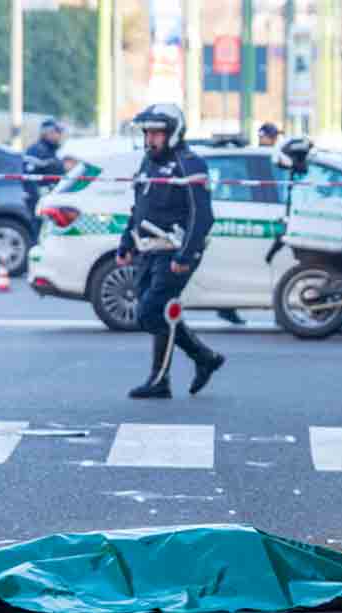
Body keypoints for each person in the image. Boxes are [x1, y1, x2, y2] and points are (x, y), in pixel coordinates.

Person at [116, 103, 225, 399]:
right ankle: (200, 360)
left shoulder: (189, 164)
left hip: (176, 251)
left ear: (173, 133)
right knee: (159, 312)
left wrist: (185, 256)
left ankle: (165, 375)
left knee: (150, 312)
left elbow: (202, 216)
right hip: (148, 251)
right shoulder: (147, 163)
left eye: (157, 134)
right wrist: (126, 242)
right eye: (147, 133)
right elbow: (139, 208)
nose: (150, 139)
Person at [23, 118, 67, 242]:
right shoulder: (36, 151)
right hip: (40, 202)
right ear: (46, 133)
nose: (59, 136)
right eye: (56, 132)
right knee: (39, 236)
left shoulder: (51, 151)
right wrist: (39, 200)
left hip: (51, 200)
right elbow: (29, 179)